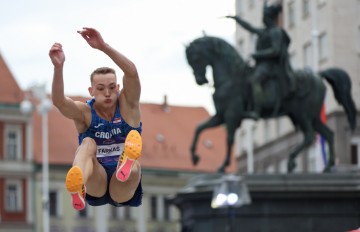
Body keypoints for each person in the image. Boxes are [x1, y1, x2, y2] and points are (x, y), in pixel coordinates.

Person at [49, 27, 143, 210]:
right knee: (88, 144)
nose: (107, 93)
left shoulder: (128, 106)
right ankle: (78, 186)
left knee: (133, 165)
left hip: (122, 185)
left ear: (117, 88)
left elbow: (131, 72)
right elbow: (59, 102)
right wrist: (58, 68)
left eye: (111, 88)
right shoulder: (85, 113)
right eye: (100, 89)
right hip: (96, 179)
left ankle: (127, 162)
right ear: (91, 91)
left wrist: (103, 47)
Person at [226, 1, 295, 119]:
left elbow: (275, 51)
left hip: (271, 66)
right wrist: (236, 19)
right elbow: (250, 27)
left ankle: (257, 110)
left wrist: (257, 55)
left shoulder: (275, 32)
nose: (263, 19)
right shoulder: (264, 31)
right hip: (261, 65)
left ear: (270, 18)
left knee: (255, 80)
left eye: (265, 17)